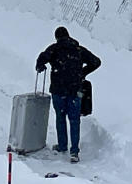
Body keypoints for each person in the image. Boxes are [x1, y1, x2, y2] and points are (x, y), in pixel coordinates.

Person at [35, 26, 101, 163]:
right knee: (74, 120)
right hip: (74, 91)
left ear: (57, 37)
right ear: (69, 36)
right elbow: (96, 62)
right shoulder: (78, 50)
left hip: (58, 91)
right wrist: (82, 73)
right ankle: (74, 152)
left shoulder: (54, 49)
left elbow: (42, 57)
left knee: (60, 117)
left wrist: (40, 66)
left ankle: (62, 145)